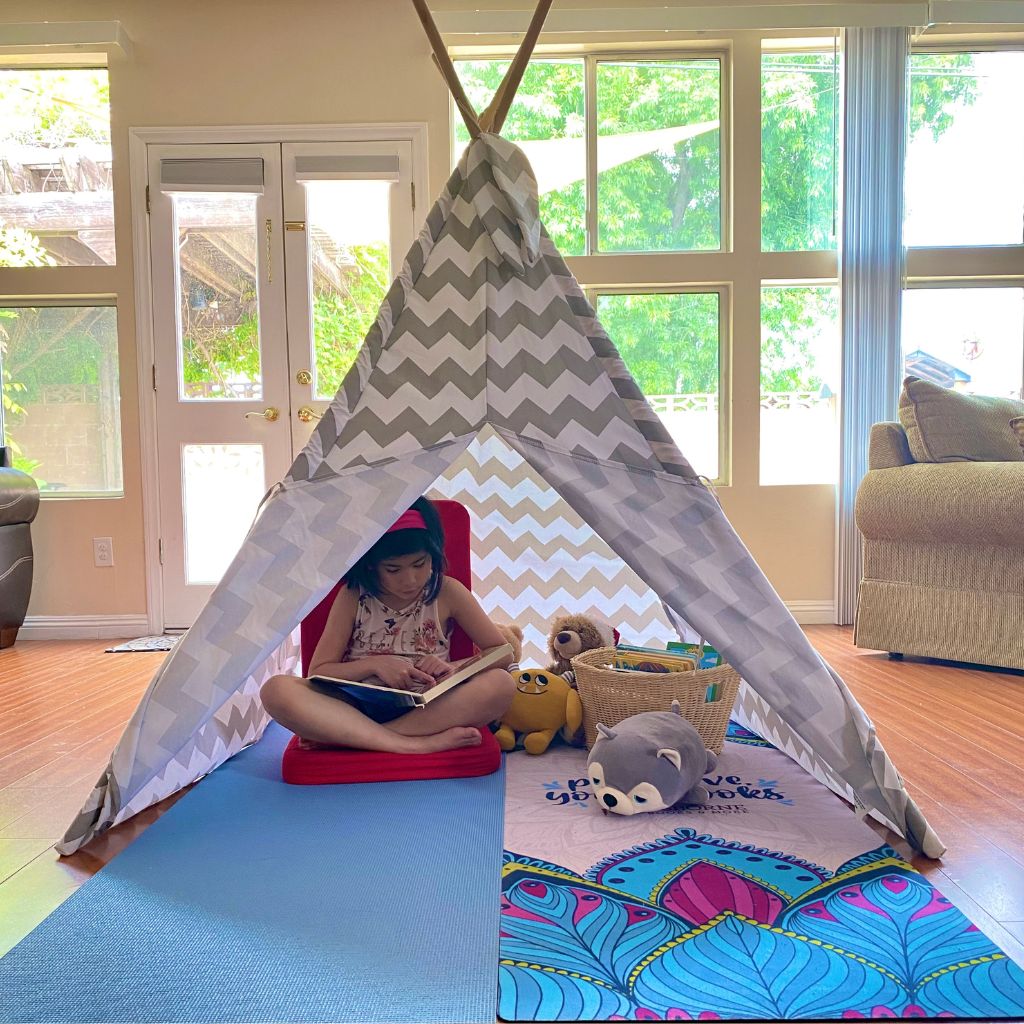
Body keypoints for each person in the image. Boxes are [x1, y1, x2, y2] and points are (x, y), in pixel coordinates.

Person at [260, 497, 516, 754]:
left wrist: (452, 668)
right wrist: (375, 664)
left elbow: (502, 654)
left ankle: (356, 736)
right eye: (393, 570)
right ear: (371, 565)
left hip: (427, 707)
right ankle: (413, 744)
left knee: (501, 684)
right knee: (275, 690)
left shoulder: (447, 591)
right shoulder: (353, 595)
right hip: (352, 705)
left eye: (420, 564)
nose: (410, 579)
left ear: (434, 555)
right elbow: (320, 671)